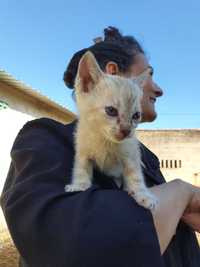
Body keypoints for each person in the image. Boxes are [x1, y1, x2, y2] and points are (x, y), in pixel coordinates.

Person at [1, 26, 200, 267]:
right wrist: (179, 192)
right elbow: (62, 245)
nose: (159, 89)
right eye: (149, 75)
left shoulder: (146, 158)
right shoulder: (45, 140)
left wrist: (180, 212)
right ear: (110, 74)